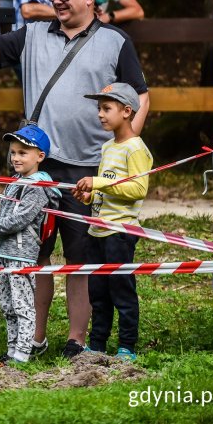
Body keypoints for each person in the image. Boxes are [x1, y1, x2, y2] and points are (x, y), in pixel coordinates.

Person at [0, 0, 150, 360]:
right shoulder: (34, 32)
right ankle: (33, 339)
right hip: (37, 165)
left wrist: (124, 145)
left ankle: (76, 340)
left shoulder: (115, 41)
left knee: (79, 257)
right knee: (33, 254)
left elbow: (140, 95)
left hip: (87, 168)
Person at [0, 125, 61, 364]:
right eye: (14, 152)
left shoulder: (37, 188)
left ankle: (23, 355)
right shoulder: (15, 181)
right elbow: (4, 214)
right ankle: (12, 351)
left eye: (23, 153)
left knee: (22, 307)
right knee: (8, 305)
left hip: (22, 255)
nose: (16, 158)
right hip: (5, 253)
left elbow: (19, 220)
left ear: (40, 157)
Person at [73, 83, 152, 361]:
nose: (100, 115)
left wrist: (99, 183)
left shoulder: (136, 149)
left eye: (106, 108)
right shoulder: (107, 147)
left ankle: (127, 347)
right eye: (99, 109)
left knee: (121, 290)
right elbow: (107, 188)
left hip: (120, 232)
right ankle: (97, 346)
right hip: (97, 230)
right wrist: (90, 195)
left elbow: (137, 189)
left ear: (127, 111)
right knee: (98, 291)